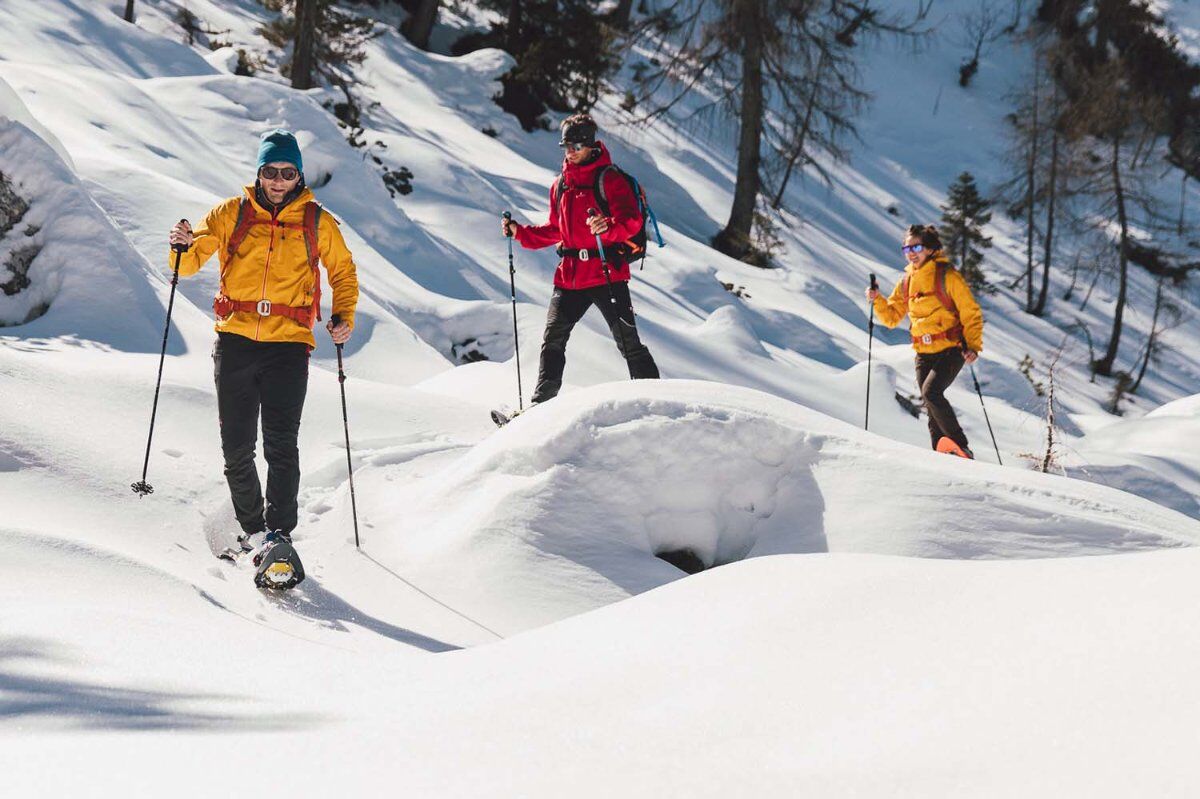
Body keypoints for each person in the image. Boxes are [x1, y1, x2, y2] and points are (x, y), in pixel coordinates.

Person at [168, 129, 359, 551]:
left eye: (287, 172)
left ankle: (280, 535)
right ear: (258, 172)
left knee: (280, 446)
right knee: (236, 449)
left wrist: (343, 316)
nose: (278, 180)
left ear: (299, 176)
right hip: (235, 341)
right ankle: (254, 531)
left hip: (289, 346)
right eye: (270, 171)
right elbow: (190, 260)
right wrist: (181, 246)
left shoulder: (317, 221)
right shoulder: (230, 213)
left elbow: (343, 272)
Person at [501, 113, 659, 407]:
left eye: (576, 146)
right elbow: (556, 229)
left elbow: (632, 221)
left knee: (628, 343)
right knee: (553, 340)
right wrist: (520, 233)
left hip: (605, 273)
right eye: (566, 146)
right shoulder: (560, 185)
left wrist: (607, 227)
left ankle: (657, 400)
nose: (570, 152)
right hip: (569, 277)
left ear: (590, 145)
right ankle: (540, 405)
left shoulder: (609, 179)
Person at [867, 224, 983, 458]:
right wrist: (877, 299)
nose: (911, 253)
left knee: (931, 393)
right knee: (930, 405)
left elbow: (970, 312)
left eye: (916, 247)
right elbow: (891, 317)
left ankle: (961, 447)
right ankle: (941, 451)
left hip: (951, 349)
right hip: (923, 353)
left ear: (930, 249)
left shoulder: (947, 276)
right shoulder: (907, 281)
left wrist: (972, 346)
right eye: (906, 248)